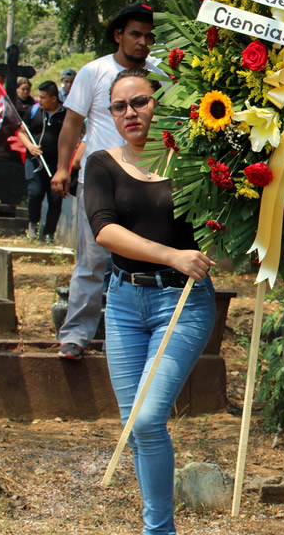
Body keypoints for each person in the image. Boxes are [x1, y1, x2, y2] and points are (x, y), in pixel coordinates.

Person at [86, 67, 216, 535]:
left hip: (181, 304)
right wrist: (172, 254)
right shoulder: (101, 163)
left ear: (159, 102)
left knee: (145, 420)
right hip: (122, 302)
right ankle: (159, 528)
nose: (130, 113)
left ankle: (157, 531)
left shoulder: (193, 161)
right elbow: (104, 230)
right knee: (135, 427)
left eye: (139, 102)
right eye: (119, 107)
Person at [52, 2, 160, 360]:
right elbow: (71, 124)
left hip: (145, 183)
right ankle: (76, 336)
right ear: (118, 35)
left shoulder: (159, 76)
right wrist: (64, 168)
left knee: (137, 264)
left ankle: (125, 339)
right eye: (135, 34)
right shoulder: (94, 72)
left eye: (149, 36)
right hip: (100, 184)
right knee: (93, 261)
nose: (143, 42)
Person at [16, 81, 66, 243]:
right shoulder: (34, 110)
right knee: (35, 192)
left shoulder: (66, 113)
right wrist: (30, 146)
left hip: (57, 163)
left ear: (53, 99)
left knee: (55, 198)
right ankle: (33, 225)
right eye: (38, 96)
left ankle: (49, 233)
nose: (39, 100)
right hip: (35, 160)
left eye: (43, 97)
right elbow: (21, 132)